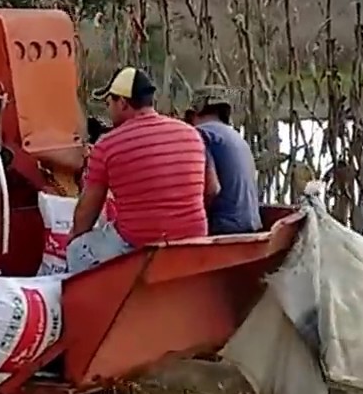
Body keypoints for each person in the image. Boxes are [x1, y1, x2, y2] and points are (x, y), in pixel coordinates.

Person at [63, 67, 212, 274]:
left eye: (109, 103)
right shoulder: (191, 135)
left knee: (78, 251)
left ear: (122, 103)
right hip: (194, 238)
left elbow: (87, 211)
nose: (109, 110)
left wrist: (75, 236)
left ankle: (100, 305)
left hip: (141, 243)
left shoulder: (108, 145)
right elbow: (210, 190)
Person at [185, 85, 262, 235]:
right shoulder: (235, 136)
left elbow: (212, 189)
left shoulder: (201, 134)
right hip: (253, 223)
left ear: (193, 115)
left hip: (225, 228)